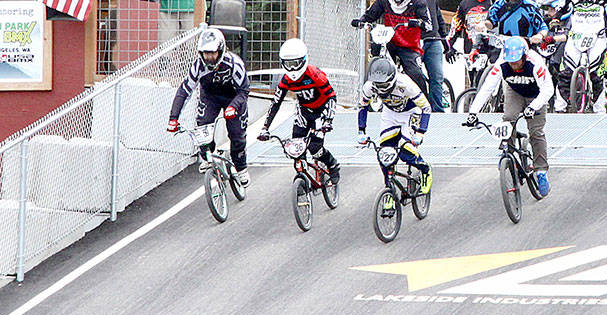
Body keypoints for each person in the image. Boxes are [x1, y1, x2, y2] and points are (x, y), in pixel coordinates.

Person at [464, 37, 555, 196]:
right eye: (510, 61)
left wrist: (533, 107)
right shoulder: (501, 64)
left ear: (524, 56)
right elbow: (488, 87)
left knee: (536, 132)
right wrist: (473, 112)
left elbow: (548, 89)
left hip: (536, 95)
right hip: (515, 91)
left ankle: (541, 171)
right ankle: (507, 152)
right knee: (508, 119)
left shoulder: (535, 63)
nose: (513, 64)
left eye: (516, 61)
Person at [167, 27, 250, 187]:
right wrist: (173, 118)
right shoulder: (197, 66)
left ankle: (241, 168)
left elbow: (244, 91)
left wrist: (233, 106)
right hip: (210, 97)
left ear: (221, 50)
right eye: (206, 53)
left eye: (213, 53)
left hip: (233, 98)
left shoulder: (234, 64)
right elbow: (184, 91)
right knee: (202, 126)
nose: (209, 58)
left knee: (237, 134)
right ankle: (207, 156)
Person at [352, 0, 438, 119]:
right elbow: (370, 15)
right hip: (389, 41)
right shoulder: (384, 0)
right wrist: (361, 21)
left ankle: (424, 107)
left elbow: (429, 24)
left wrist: (418, 23)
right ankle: (371, 97)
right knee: (376, 53)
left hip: (409, 45)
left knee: (415, 73)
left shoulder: (418, 1)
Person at [257, 38, 340, 182]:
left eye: (295, 64)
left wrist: (328, 120)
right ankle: (304, 182)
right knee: (296, 149)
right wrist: (265, 128)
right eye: (288, 64)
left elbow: (331, 97)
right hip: (304, 112)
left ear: (303, 60)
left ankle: (333, 165)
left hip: (320, 112)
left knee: (315, 149)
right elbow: (276, 103)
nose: (292, 69)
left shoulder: (315, 74)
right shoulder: (286, 80)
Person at [356, 56, 433, 196]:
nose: (380, 89)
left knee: (406, 151)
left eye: (383, 85)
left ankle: (425, 169)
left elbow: (426, 107)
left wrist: (421, 133)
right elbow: (363, 106)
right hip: (390, 114)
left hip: (411, 112)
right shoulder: (369, 86)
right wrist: (361, 131)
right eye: (377, 85)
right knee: (384, 154)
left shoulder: (405, 83)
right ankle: (389, 190)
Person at [402, 0, 450, 111]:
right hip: (415, 40)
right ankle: (415, 110)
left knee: (437, 78)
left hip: (433, 40)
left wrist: (444, 39)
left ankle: (437, 112)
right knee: (414, 78)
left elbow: (437, 14)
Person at [446, 0, 497, 86]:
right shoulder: (466, 3)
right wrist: (448, 46)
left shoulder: (495, 2)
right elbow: (456, 26)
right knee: (473, 85)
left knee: (488, 84)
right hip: (471, 51)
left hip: (490, 50)